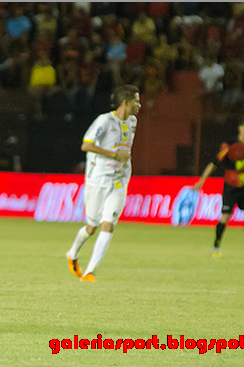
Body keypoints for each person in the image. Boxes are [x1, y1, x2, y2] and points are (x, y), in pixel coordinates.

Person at [66, 84, 141, 282]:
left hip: (120, 181)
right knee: (92, 227)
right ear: (125, 102)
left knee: (108, 225)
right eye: (136, 100)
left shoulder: (133, 121)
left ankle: (90, 271)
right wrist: (114, 154)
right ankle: (73, 253)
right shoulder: (105, 121)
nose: (139, 105)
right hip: (98, 179)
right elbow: (86, 144)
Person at [193, 115, 244, 259]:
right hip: (231, 187)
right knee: (225, 217)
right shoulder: (229, 146)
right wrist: (201, 181)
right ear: (241, 128)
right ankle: (216, 248)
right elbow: (214, 163)